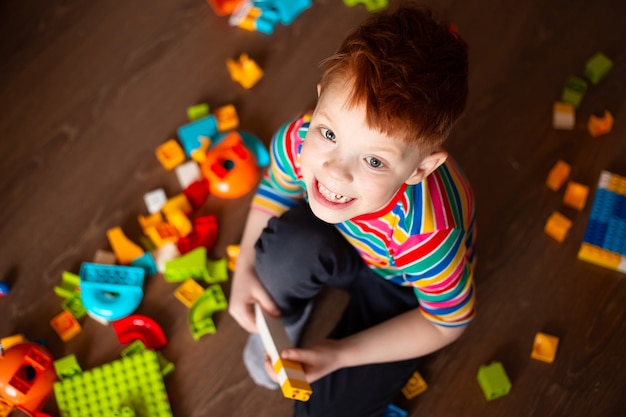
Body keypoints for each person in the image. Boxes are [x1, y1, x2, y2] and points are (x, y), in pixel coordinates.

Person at [228, 2, 476, 416]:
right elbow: (274, 191)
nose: (334, 172)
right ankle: (284, 313)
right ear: (320, 100)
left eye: (375, 161)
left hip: (398, 286)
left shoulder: (430, 236)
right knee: (286, 247)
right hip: (341, 242)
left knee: (322, 411)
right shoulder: (300, 139)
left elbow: (446, 322)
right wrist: (243, 270)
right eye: (329, 133)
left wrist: (341, 353)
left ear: (421, 168)